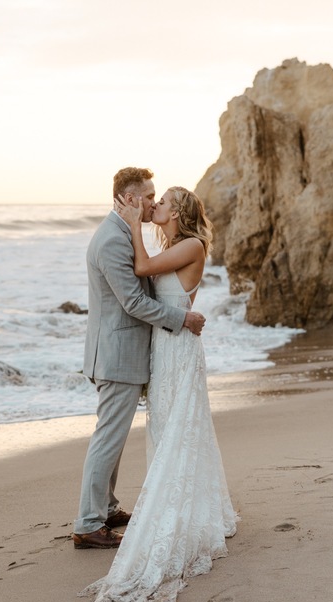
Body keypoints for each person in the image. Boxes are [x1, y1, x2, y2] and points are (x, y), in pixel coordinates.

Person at [53, 186, 238, 602]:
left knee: (179, 428)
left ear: (177, 212)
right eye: (149, 198)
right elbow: (141, 284)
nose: (155, 205)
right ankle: (110, 510)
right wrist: (139, 227)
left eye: (162, 201)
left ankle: (123, 513)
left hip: (176, 349)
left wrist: (136, 225)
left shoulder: (188, 244)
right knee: (165, 428)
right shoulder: (166, 242)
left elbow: (142, 271)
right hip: (163, 348)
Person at [72, 168, 206, 550]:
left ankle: (107, 508)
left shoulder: (121, 232)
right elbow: (132, 301)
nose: (152, 201)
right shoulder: (113, 240)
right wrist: (182, 318)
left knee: (111, 438)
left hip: (124, 352)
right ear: (130, 199)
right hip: (117, 355)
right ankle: (88, 523)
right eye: (148, 196)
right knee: (108, 439)